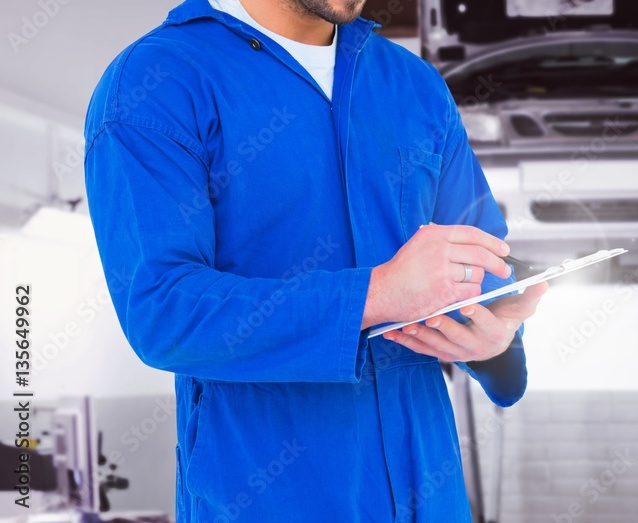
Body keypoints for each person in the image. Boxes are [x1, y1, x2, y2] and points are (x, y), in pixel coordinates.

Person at [83, 0, 548, 520]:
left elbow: (480, 262)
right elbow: (163, 310)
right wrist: (375, 295)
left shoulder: (414, 86)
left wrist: (494, 343)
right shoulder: (157, 83)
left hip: (430, 494)